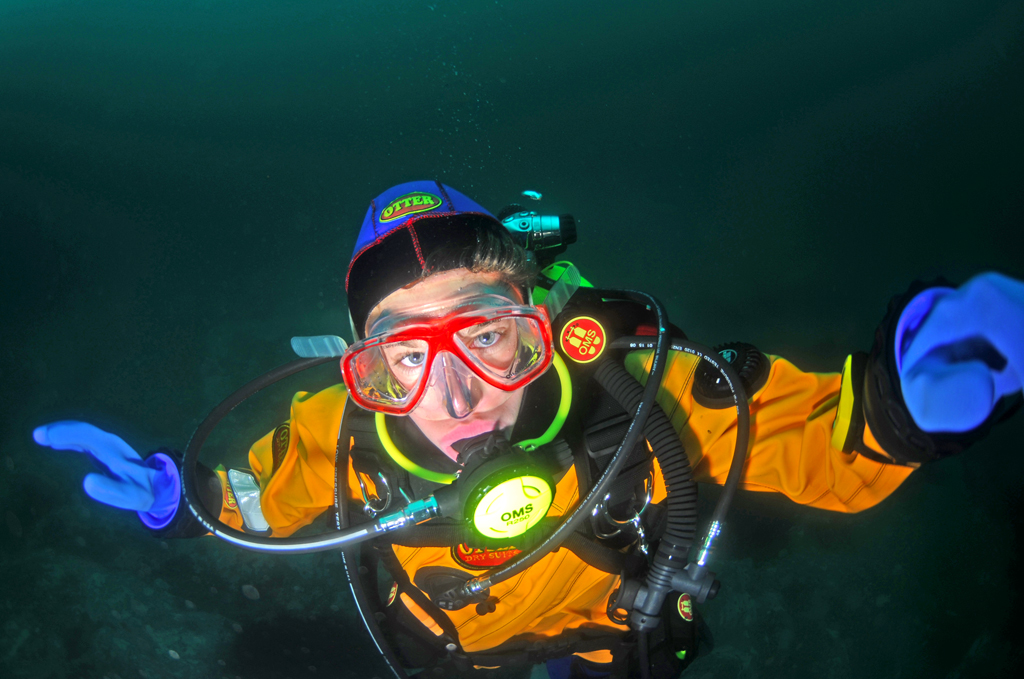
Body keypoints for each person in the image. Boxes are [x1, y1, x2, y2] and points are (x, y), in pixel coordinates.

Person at [34, 180, 1024, 679]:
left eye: (488, 335)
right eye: (406, 355)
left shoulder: (632, 395)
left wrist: (894, 410)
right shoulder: (336, 432)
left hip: (603, 651)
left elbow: (796, 429)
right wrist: (181, 501)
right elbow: (261, 497)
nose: (457, 395)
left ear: (543, 325)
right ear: (362, 367)